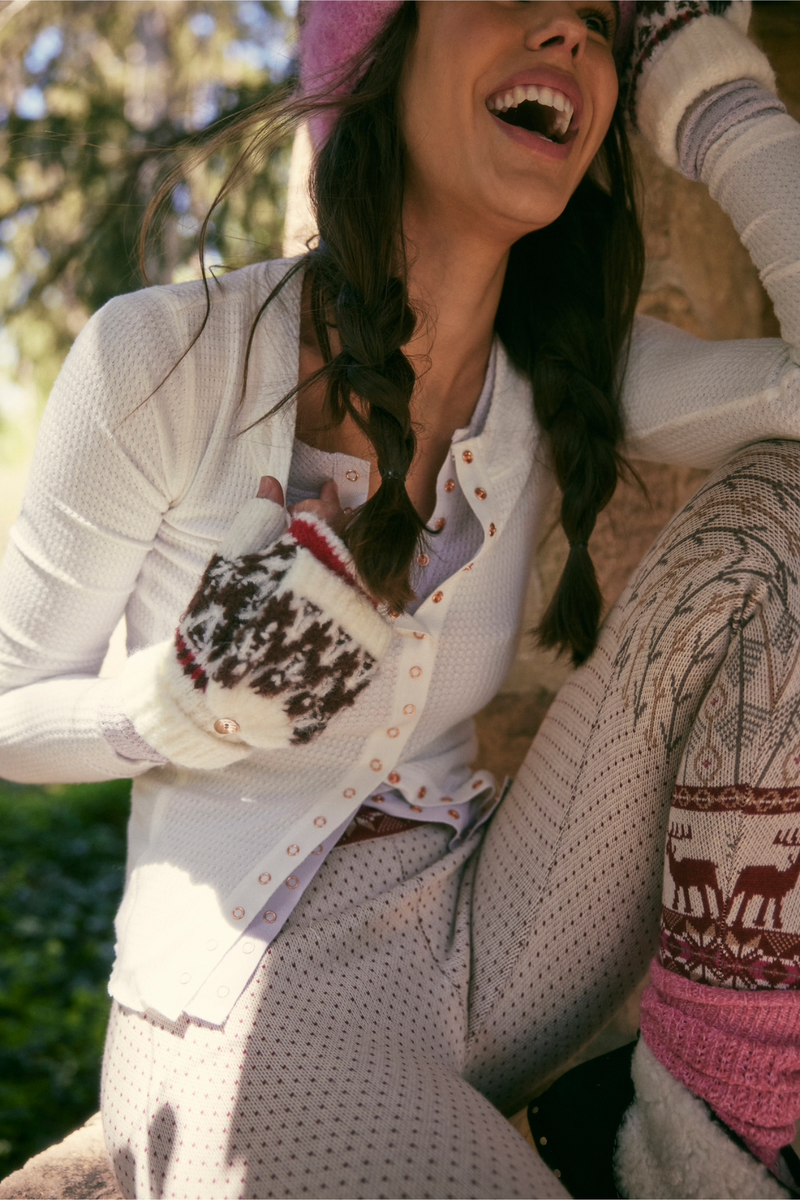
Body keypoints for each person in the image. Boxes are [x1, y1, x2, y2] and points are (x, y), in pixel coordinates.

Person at [0, 1, 798, 1195]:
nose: (566, 33)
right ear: (373, 53)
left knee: (773, 517)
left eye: (593, 20)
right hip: (246, 993)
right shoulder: (164, 358)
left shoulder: (554, 375)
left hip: (495, 927)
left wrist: (702, 83)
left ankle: (701, 1161)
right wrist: (166, 713)